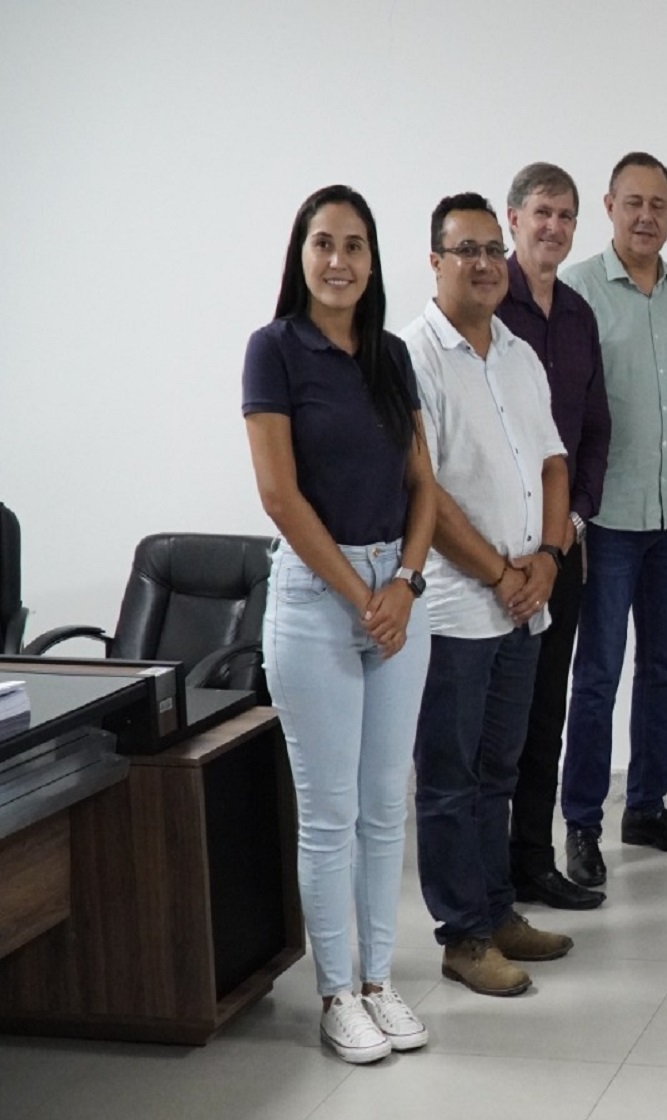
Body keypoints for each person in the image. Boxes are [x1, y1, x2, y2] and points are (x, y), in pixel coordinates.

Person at [243, 184, 438, 1063]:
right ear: (301, 254)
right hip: (317, 600)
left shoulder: (389, 355)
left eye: (355, 245)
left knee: (385, 807)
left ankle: (379, 981)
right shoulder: (273, 350)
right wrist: (363, 594)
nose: (339, 260)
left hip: (395, 591)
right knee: (329, 815)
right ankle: (335, 994)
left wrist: (404, 582)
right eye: (324, 243)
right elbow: (279, 496)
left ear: (372, 261)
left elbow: (423, 484)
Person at [404, 192, 577, 996]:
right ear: (434, 261)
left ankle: (498, 910)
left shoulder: (517, 353)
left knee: (500, 768)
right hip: (456, 608)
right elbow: (425, 494)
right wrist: (502, 574)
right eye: (464, 250)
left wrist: (548, 557)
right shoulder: (414, 358)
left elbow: (552, 462)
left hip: (524, 600)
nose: (483, 264)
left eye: (490, 250)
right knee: (451, 778)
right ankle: (464, 938)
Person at [559, 152, 667, 888]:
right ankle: (581, 824)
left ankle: (647, 808)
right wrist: (566, 517)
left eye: (659, 204)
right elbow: (564, 412)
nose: (646, 216)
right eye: (633, 202)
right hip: (604, 521)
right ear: (608, 206)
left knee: (664, 667)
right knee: (597, 677)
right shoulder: (579, 291)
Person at [497, 162, 611, 911]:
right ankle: (485, 874)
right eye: (542, 212)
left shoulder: (577, 315)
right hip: (496, 555)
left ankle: (533, 863)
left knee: (546, 711)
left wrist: (569, 525)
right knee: (493, 721)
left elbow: (594, 431)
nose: (555, 227)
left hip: (560, 548)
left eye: (566, 215)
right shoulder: (485, 303)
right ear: (513, 219)